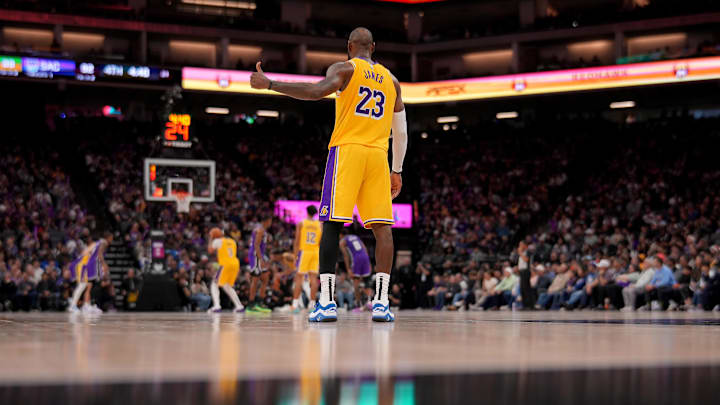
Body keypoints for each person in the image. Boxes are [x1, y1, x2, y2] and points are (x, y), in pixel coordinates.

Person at [251, 26, 408, 323]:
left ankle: (326, 302)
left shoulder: (345, 68)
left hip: (347, 152)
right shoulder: (392, 81)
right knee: (383, 230)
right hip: (378, 156)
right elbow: (400, 131)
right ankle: (382, 302)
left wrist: (271, 83)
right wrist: (396, 169)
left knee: (332, 224)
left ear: (349, 46)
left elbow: (315, 92)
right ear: (373, 47)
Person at [68, 232, 113, 314]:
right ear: (108, 237)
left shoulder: (96, 243)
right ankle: (72, 305)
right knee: (82, 285)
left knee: (88, 285)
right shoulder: (103, 242)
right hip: (83, 264)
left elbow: (85, 252)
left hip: (84, 264)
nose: (112, 240)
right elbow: (99, 255)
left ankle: (86, 305)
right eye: (111, 238)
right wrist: (104, 265)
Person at [291, 205, 321, 313]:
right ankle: (312, 304)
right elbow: (320, 242)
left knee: (299, 278)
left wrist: (295, 256)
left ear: (306, 211)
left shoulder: (301, 223)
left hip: (305, 251)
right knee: (313, 279)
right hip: (315, 252)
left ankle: (294, 305)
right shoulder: (319, 225)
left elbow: (297, 241)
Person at [207, 227, 244, 313]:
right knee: (226, 285)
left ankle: (216, 306)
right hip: (235, 264)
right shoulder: (232, 241)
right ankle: (239, 306)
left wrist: (210, 239)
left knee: (214, 284)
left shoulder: (217, 241)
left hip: (225, 264)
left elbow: (210, 251)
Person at [340, 230, 372, 310]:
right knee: (366, 281)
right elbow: (365, 248)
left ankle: (358, 304)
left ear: (340, 235)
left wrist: (348, 269)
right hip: (365, 258)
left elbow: (346, 256)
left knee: (356, 282)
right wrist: (369, 263)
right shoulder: (356, 237)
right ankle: (369, 302)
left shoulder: (342, 241)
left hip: (356, 259)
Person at [247, 217, 272, 313]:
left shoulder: (260, 229)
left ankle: (259, 302)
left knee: (265, 278)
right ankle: (251, 304)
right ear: (267, 220)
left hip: (258, 255)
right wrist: (261, 259)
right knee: (255, 280)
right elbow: (256, 245)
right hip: (256, 256)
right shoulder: (260, 230)